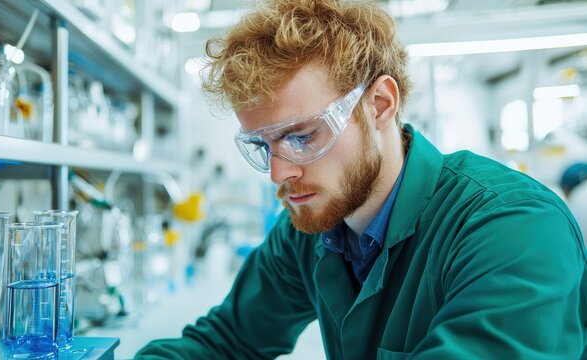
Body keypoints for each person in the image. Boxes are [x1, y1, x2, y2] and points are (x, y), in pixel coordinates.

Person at [136, 0, 587, 358]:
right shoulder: (309, 228)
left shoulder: (514, 227)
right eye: (263, 146)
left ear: (380, 105)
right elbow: (226, 343)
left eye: (302, 135)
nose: (279, 172)